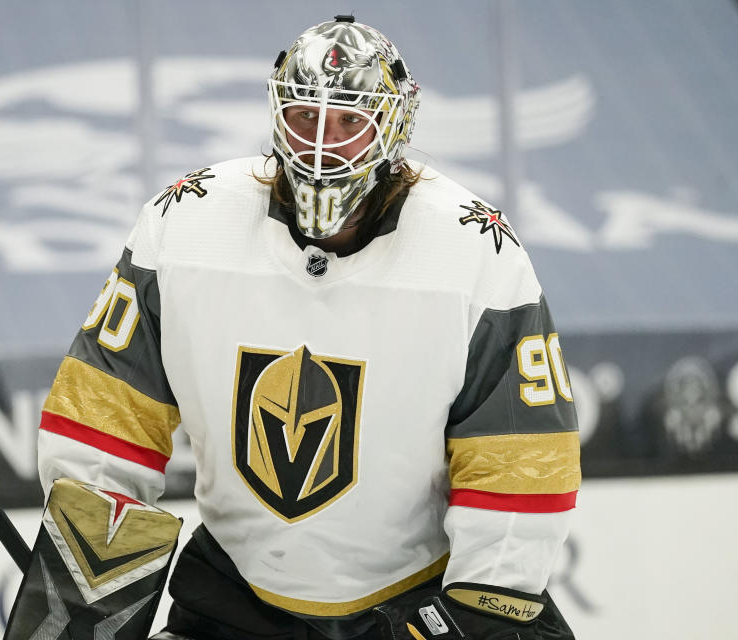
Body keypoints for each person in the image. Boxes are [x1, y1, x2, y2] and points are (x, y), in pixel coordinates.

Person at [37, 16, 580, 640]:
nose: (322, 142)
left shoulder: (474, 248)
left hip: (418, 602)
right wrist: (86, 597)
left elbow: (520, 462)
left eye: (351, 119)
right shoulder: (186, 222)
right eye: (304, 115)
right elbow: (106, 426)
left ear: (394, 127)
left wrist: (473, 615)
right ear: (276, 115)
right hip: (236, 601)